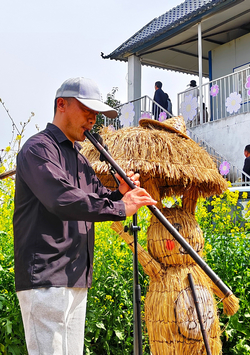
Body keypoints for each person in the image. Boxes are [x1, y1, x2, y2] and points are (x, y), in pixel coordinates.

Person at [13, 77, 157, 355]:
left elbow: (96, 197)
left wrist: (119, 193)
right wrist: (120, 207)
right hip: (46, 277)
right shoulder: (38, 150)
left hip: (76, 277)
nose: (93, 121)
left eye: (96, 115)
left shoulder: (79, 158)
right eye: (87, 112)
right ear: (61, 105)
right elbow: (62, 199)